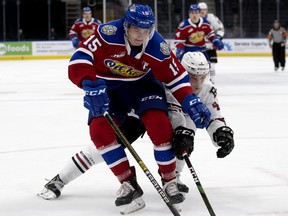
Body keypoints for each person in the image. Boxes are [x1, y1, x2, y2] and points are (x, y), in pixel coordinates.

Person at [38, 52, 234, 208]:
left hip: (160, 119)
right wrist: (184, 131)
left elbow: (212, 115)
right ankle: (60, 179)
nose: (197, 83)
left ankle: (173, 179)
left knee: (181, 139)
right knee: (101, 150)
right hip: (137, 117)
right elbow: (175, 114)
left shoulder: (207, 89)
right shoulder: (170, 83)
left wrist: (220, 133)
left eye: (201, 77)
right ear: (182, 71)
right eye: (192, 77)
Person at [66, 3, 211, 214]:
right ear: (126, 26)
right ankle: (128, 184)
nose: (141, 36)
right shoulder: (107, 34)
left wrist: (190, 99)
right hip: (110, 88)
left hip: (143, 87)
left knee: (160, 126)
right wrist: (89, 83)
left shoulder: (156, 44)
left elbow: (175, 75)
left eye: (145, 31)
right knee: (100, 133)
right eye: (136, 30)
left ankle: (170, 180)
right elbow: (80, 58)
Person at [198, 2, 225, 83]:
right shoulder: (195, 19)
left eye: (204, 10)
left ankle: (212, 82)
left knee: (212, 66)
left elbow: (220, 29)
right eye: (201, 10)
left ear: (207, 10)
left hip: (210, 46)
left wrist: (217, 39)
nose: (202, 11)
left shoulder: (212, 18)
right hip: (199, 47)